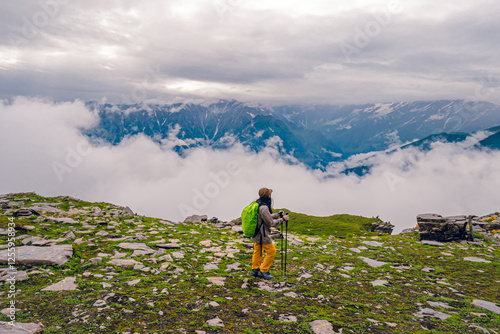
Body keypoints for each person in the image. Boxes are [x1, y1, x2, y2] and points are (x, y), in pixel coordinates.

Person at [251, 187, 289, 279]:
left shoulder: (257, 204)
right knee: (272, 252)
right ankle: (264, 271)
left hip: (256, 233)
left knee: (258, 251)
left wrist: (277, 215)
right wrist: (282, 219)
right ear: (268, 196)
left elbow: (266, 217)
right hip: (263, 235)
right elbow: (271, 223)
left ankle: (255, 270)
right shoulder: (264, 207)